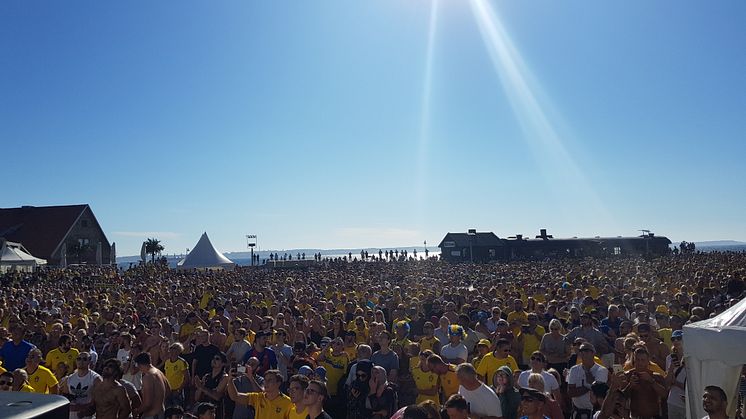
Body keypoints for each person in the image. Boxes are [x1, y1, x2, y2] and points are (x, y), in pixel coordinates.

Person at [620, 347, 666, 419]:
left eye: (643, 360)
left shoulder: (656, 376)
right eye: (638, 360)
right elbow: (621, 397)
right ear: (634, 360)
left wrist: (651, 381)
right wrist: (630, 385)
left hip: (653, 416)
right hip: (635, 416)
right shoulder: (628, 375)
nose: (640, 363)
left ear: (648, 361)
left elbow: (664, 394)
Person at [227, 369, 292, 419]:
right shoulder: (258, 397)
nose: (266, 382)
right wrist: (230, 380)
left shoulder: (288, 402)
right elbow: (235, 396)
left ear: (278, 383)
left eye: (270, 380)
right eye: (265, 380)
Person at [567, 343, 608, 419]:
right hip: (577, 412)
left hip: (594, 413)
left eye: (585, 350)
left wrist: (582, 388)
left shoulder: (601, 370)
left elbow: (598, 393)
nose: (582, 353)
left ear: (593, 353)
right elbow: (570, 392)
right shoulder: (574, 369)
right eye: (580, 351)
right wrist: (589, 386)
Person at [59, 351, 102, 419]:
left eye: (84, 359)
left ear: (89, 362)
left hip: (87, 416)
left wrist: (82, 409)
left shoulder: (95, 379)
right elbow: (65, 399)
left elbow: (97, 402)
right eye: (78, 359)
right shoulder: (69, 379)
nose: (81, 361)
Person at [133, 352, 170, 419]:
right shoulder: (159, 372)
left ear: (139, 365)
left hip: (152, 415)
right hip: (161, 412)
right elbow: (168, 390)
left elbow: (147, 403)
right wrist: (159, 401)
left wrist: (136, 411)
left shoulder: (147, 377)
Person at [666, 330, 687, 419]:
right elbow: (667, 383)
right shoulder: (669, 358)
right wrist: (671, 369)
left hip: (687, 402)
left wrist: (676, 383)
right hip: (673, 401)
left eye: (679, 338)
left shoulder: (691, 358)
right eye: (673, 339)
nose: (675, 341)